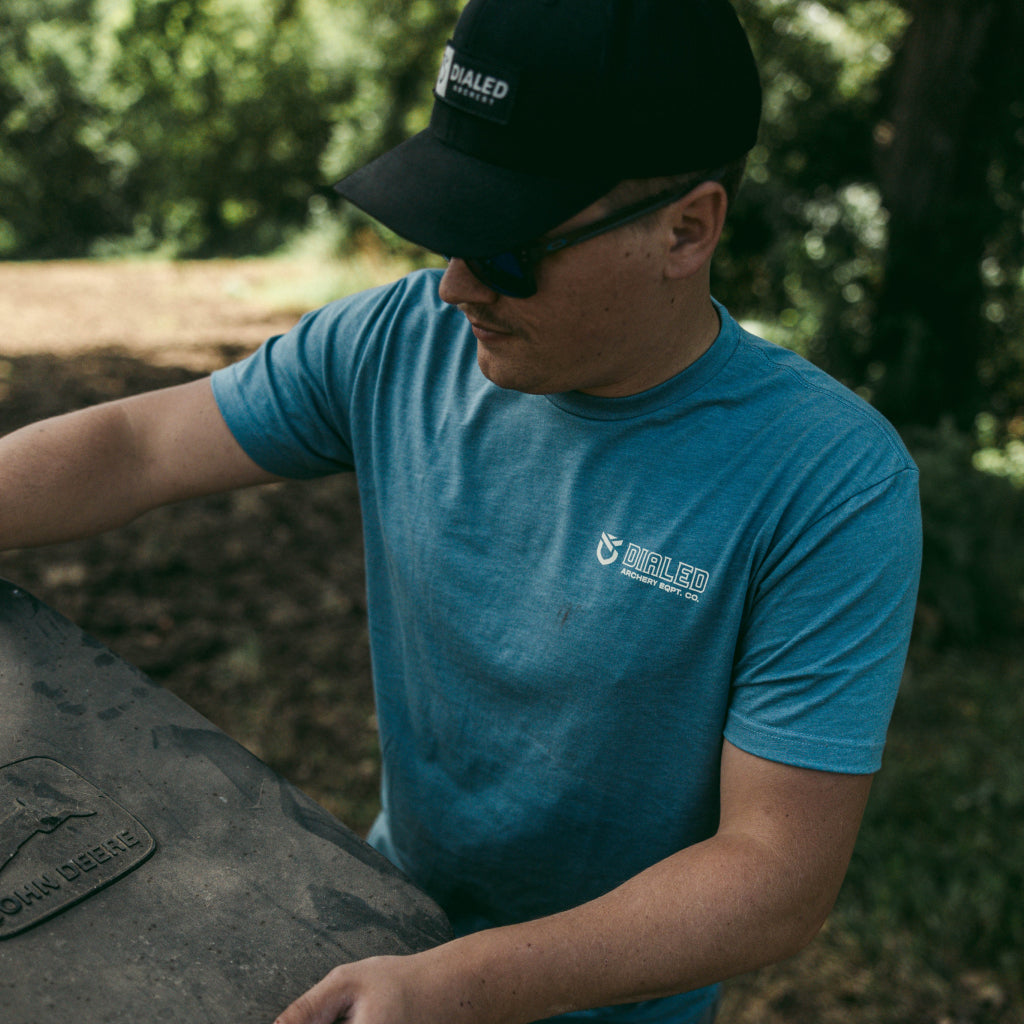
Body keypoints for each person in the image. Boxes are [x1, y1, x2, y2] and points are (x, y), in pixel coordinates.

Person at [0, 1, 921, 1022]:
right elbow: (136, 445)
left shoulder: (827, 479)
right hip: (377, 934)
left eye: (509, 249)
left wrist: (457, 984)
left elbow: (774, 875)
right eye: (447, 229)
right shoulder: (398, 344)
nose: (455, 286)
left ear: (686, 228)